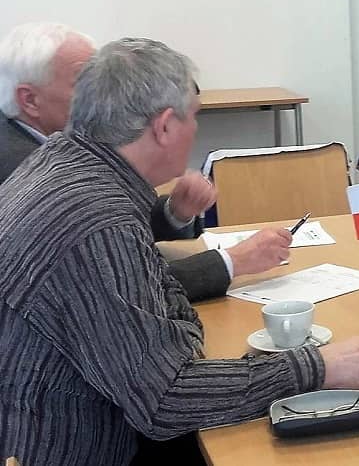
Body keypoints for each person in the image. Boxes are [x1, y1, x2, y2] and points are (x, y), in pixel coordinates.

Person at [0, 37, 359, 465]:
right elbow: (167, 399)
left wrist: (177, 339)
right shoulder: (96, 219)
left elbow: (168, 308)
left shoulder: (66, 164)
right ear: (165, 126)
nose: (196, 130)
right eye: (194, 116)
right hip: (75, 447)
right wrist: (320, 366)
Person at [0, 22, 286, 302]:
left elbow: (116, 237)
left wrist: (174, 213)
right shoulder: (37, 171)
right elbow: (122, 286)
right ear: (30, 99)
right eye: (86, 82)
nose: (104, 95)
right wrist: (232, 261)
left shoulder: (63, 152)